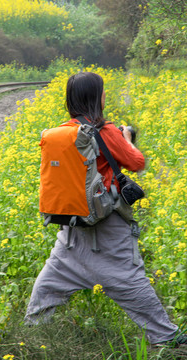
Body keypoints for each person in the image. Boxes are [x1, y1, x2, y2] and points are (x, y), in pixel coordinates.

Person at [24, 72, 185, 346]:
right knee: (128, 279)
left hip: (71, 230)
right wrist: (127, 138)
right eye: (102, 92)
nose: (105, 96)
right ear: (96, 98)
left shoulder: (62, 133)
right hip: (108, 226)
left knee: (50, 282)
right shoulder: (106, 131)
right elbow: (136, 162)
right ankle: (168, 339)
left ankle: (29, 337)